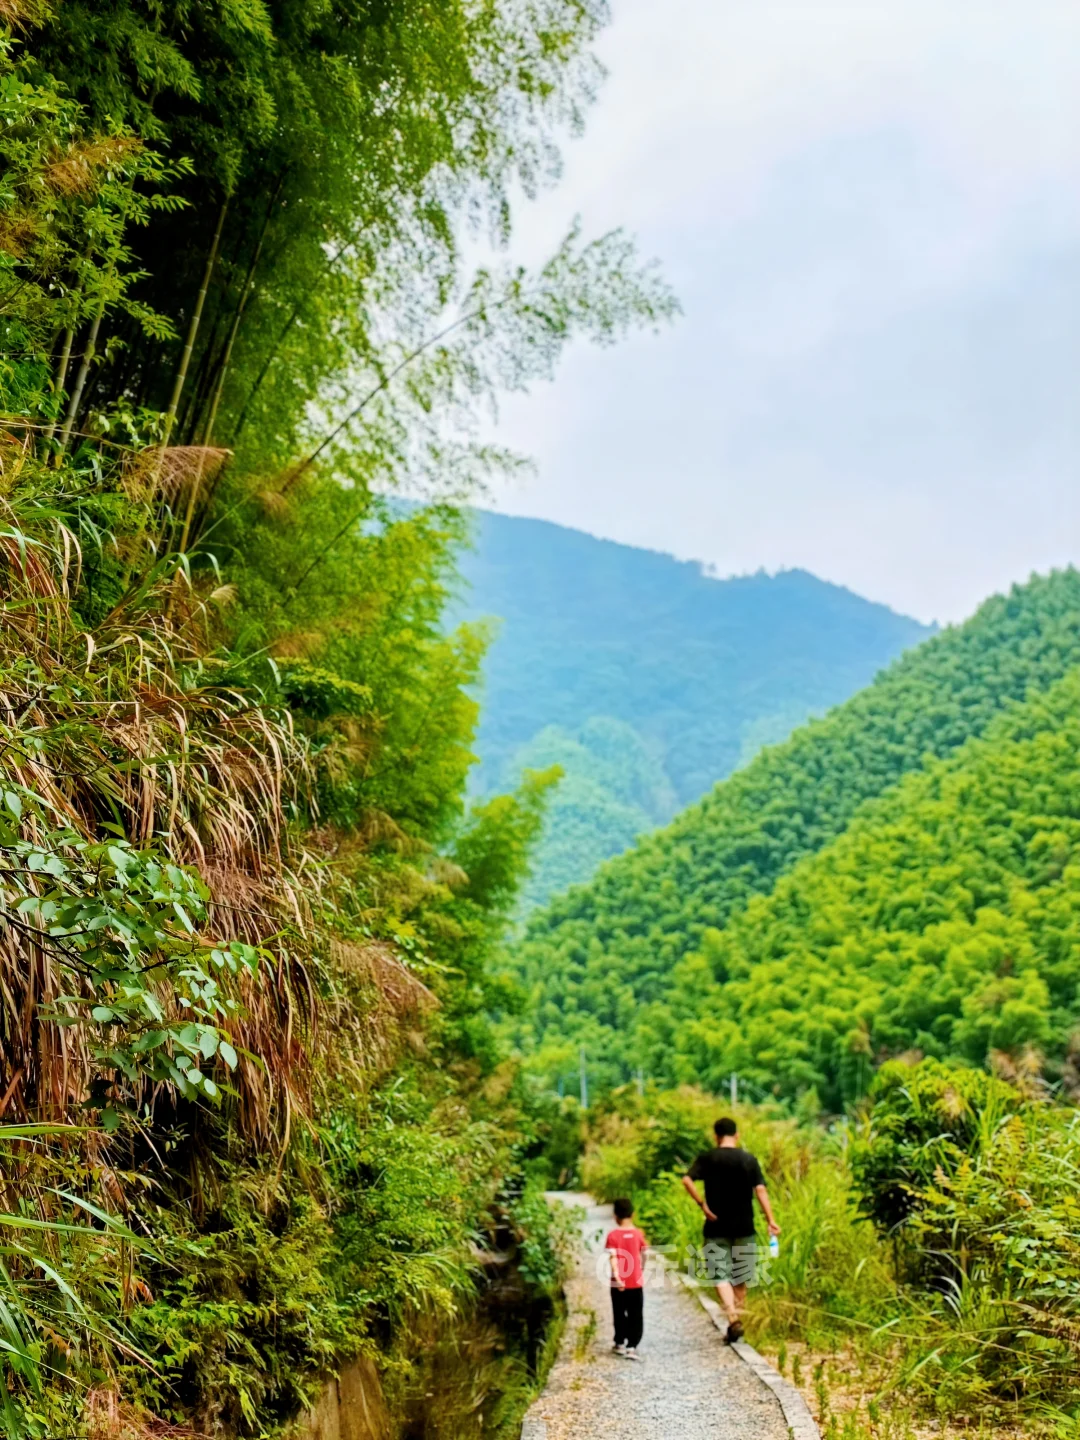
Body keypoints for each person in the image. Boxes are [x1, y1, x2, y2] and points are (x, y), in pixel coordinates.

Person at [681, 1116, 780, 1343]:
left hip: (716, 1226)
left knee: (720, 1275)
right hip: (745, 1226)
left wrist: (702, 1204)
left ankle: (733, 1319)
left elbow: (687, 1180)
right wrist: (770, 1220)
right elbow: (761, 1190)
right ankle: (738, 1323)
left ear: (716, 1136)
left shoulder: (708, 1158)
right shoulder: (749, 1159)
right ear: (737, 1135)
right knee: (741, 1276)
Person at [605, 1197, 647, 1359]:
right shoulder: (638, 1234)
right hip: (636, 1282)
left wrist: (617, 1276)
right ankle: (632, 1345)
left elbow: (613, 1258)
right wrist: (641, 1268)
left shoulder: (613, 1236)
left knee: (619, 1312)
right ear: (633, 1214)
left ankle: (620, 1342)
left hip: (618, 1284)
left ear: (615, 1215)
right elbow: (644, 1254)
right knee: (636, 1313)